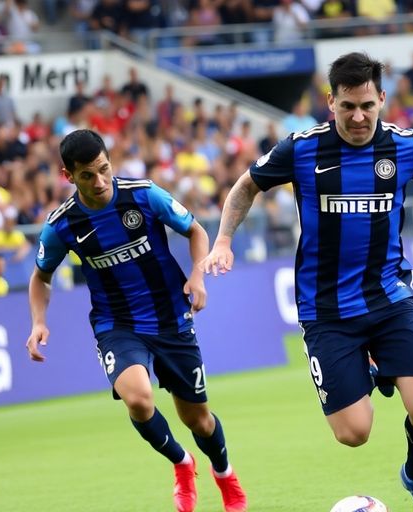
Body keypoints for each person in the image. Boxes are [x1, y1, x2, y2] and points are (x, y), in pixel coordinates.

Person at [200, 52, 413, 512]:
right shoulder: (302, 148)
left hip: (389, 297)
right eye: (347, 106)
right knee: (353, 434)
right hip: (325, 310)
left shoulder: (405, 146)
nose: (358, 117)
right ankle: (373, 369)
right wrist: (223, 241)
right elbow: (246, 186)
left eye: (368, 106)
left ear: (382, 100)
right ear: (330, 101)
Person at [26, 130, 248, 512]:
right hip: (118, 325)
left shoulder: (144, 195)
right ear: (68, 176)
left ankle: (225, 475)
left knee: (199, 420)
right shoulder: (62, 225)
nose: (99, 182)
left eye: (104, 170)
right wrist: (38, 321)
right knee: (139, 400)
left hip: (171, 319)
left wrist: (197, 275)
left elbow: (195, 230)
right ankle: (182, 464)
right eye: (87, 176)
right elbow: (40, 276)